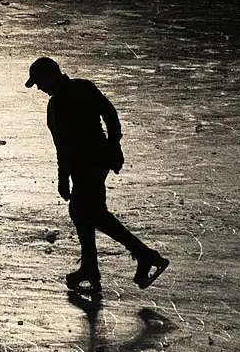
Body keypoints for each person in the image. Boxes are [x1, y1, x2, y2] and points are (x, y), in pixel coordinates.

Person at [26, 57, 168, 292]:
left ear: (49, 76)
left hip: (84, 164)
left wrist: (63, 178)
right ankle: (91, 267)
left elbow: (64, 146)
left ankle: (144, 254)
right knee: (83, 212)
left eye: (39, 82)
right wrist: (114, 147)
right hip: (100, 159)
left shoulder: (58, 104)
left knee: (94, 214)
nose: (39, 88)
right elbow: (110, 115)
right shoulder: (84, 86)